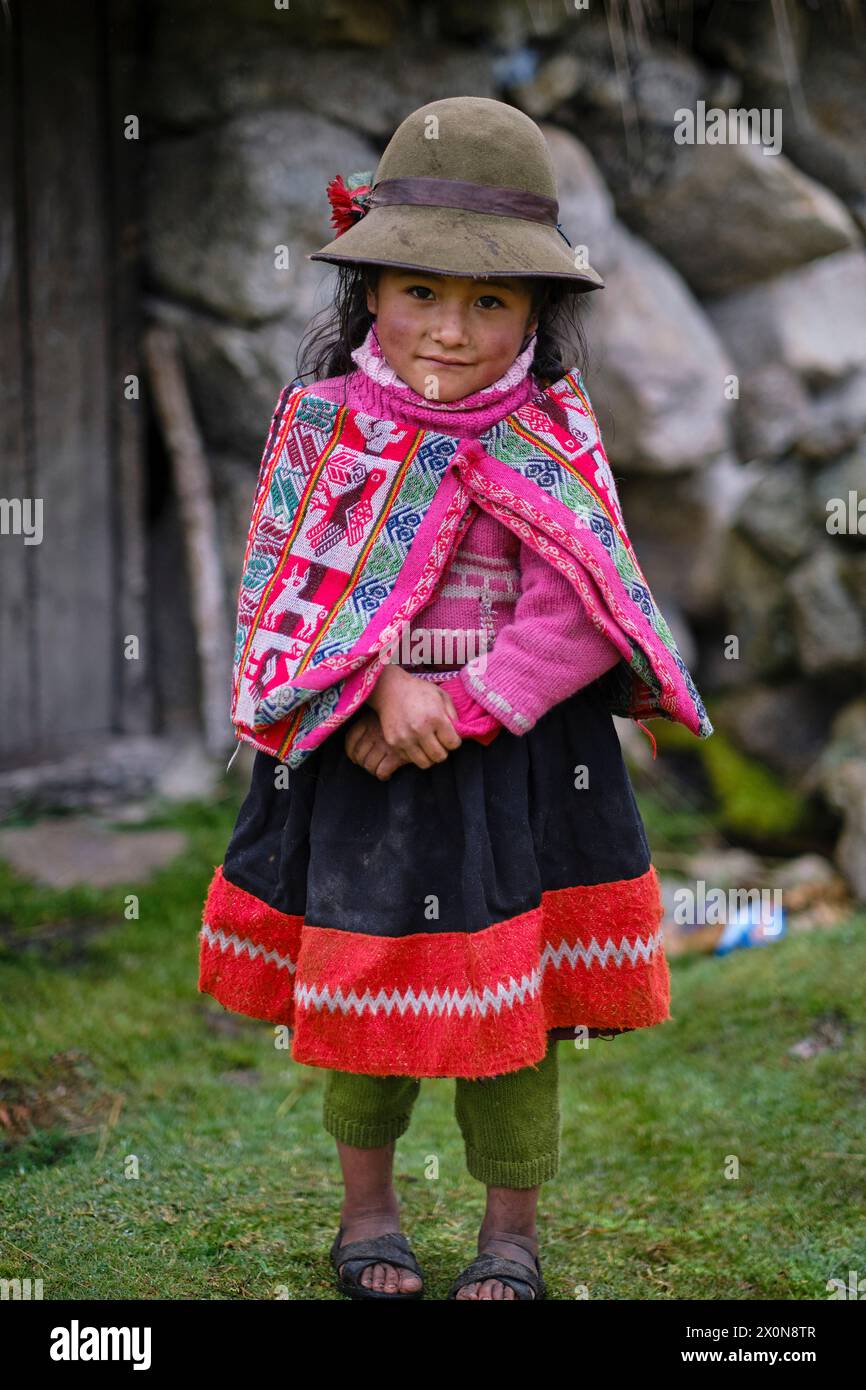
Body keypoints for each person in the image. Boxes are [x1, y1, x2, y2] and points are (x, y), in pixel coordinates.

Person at [198, 97, 713, 1301]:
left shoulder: (550, 428)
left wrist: (464, 702)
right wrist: (374, 683)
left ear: (538, 311)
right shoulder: (324, 425)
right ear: (369, 290)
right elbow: (286, 589)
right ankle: (366, 1217)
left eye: (491, 301)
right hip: (357, 756)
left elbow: (582, 604)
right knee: (363, 985)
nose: (451, 327)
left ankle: (509, 1236)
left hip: (517, 765)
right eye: (420, 291)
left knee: (510, 1013)